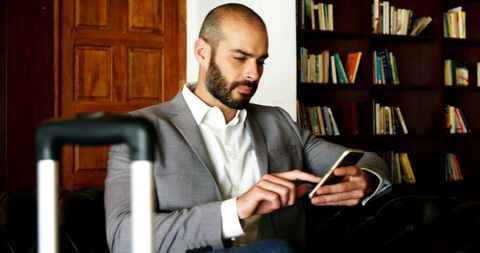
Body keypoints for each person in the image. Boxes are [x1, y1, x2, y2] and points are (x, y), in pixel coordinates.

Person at [104, 3, 392, 253]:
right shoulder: (140, 130)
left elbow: (368, 159)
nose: (254, 74)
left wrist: (365, 179)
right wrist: (236, 209)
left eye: (261, 61)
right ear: (202, 52)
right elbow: (123, 237)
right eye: (240, 58)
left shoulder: (278, 122)